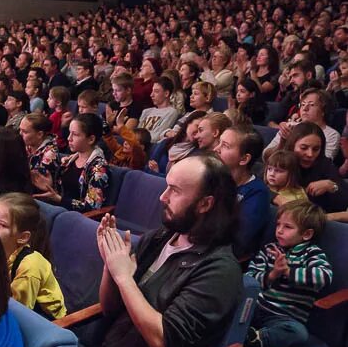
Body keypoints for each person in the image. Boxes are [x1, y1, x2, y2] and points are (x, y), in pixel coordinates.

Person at [45, 155, 242, 347]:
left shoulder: (220, 271)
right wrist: (110, 268)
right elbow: (111, 308)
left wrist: (124, 277)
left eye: (175, 191)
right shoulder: (162, 238)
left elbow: (160, 340)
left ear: (206, 204)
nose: (162, 197)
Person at [245, 200, 332, 347]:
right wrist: (273, 274)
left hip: (284, 317)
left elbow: (324, 276)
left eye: (287, 227)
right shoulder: (269, 249)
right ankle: (242, 334)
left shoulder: (312, 253)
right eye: (278, 224)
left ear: (307, 234)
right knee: (231, 305)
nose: (279, 230)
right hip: (257, 306)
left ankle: (257, 340)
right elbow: (250, 278)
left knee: (298, 333)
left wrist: (287, 272)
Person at [0, 193, 66, 319]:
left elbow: (20, 315)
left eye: (1, 224)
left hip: (46, 324)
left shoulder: (29, 267)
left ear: (23, 237)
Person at [32, 113, 110, 212]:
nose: (69, 138)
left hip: (78, 219)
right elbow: (62, 192)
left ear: (91, 139)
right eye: (70, 133)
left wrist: (59, 199)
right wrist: (49, 185)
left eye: (75, 134)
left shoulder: (99, 169)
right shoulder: (70, 160)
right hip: (60, 211)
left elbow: (92, 207)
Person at [214, 125, 270, 258]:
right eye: (219, 142)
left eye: (225, 146)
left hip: (222, 261)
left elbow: (238, 244)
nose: (216, 149)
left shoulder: (257, 193)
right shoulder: (212, 177)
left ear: (244, 159)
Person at [283, 122, 348, 213]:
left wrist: (331, 186)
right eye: (304, 148)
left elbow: (344, 199)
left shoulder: (324, 164)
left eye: (316, 149)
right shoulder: (281, 161)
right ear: (292, 146)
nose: (310, 154)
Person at [264, 89, 340, 161]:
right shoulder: (290, 126)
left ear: (323, 110)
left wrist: (290, 146)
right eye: (302, 104)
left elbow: (324, 163)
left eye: (311, 105)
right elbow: (265, 156)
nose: (305, 108)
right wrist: (283, 143)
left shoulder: (332, 135)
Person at [147, 110, 204, 174]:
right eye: (197, 126)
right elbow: (148, 166)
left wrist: (157, 173)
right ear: (188, 123)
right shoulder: (166, 142)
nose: (198, 132)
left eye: (201, 130)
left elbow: (179, 182)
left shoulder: (196, 154)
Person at [135, 76, 180, 143]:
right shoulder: (146, 111)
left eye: (156, 91)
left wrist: (137, 138)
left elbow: (159, 135)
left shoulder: (171, 112)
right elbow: (137, 132)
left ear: (166, 93)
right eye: (152, 91)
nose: (151, 95)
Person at [19, 112, 59, 180]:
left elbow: (39, 182)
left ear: (39, 134)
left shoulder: (50, 154)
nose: (20, 134)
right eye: (20, 130)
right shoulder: (27, 145)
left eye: (25, 132)